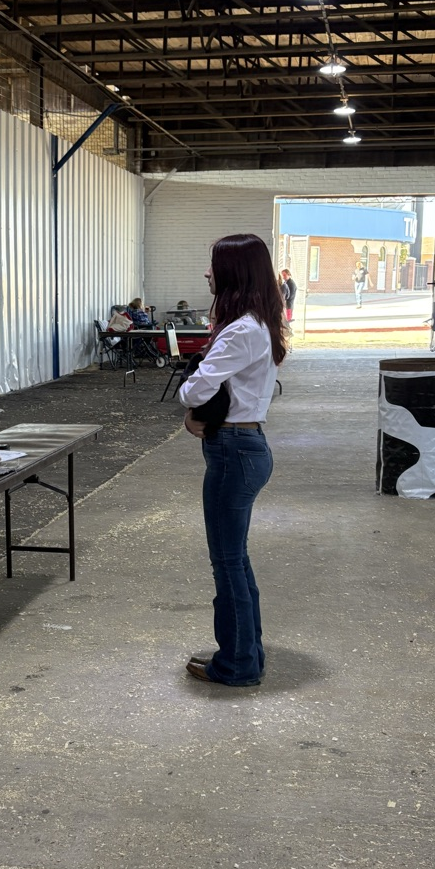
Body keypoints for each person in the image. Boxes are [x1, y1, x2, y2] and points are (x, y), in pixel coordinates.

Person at [179, 234, 288, 687]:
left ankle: (238, 663)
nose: (207, 272)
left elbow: (194, 390)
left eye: (214, 265)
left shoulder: (241, 330)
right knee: (234, 560)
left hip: (233, 449)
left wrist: (191, 405)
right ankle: (245, 653)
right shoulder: (257, 324)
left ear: (233, 273)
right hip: (242, 445)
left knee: (226, 562)